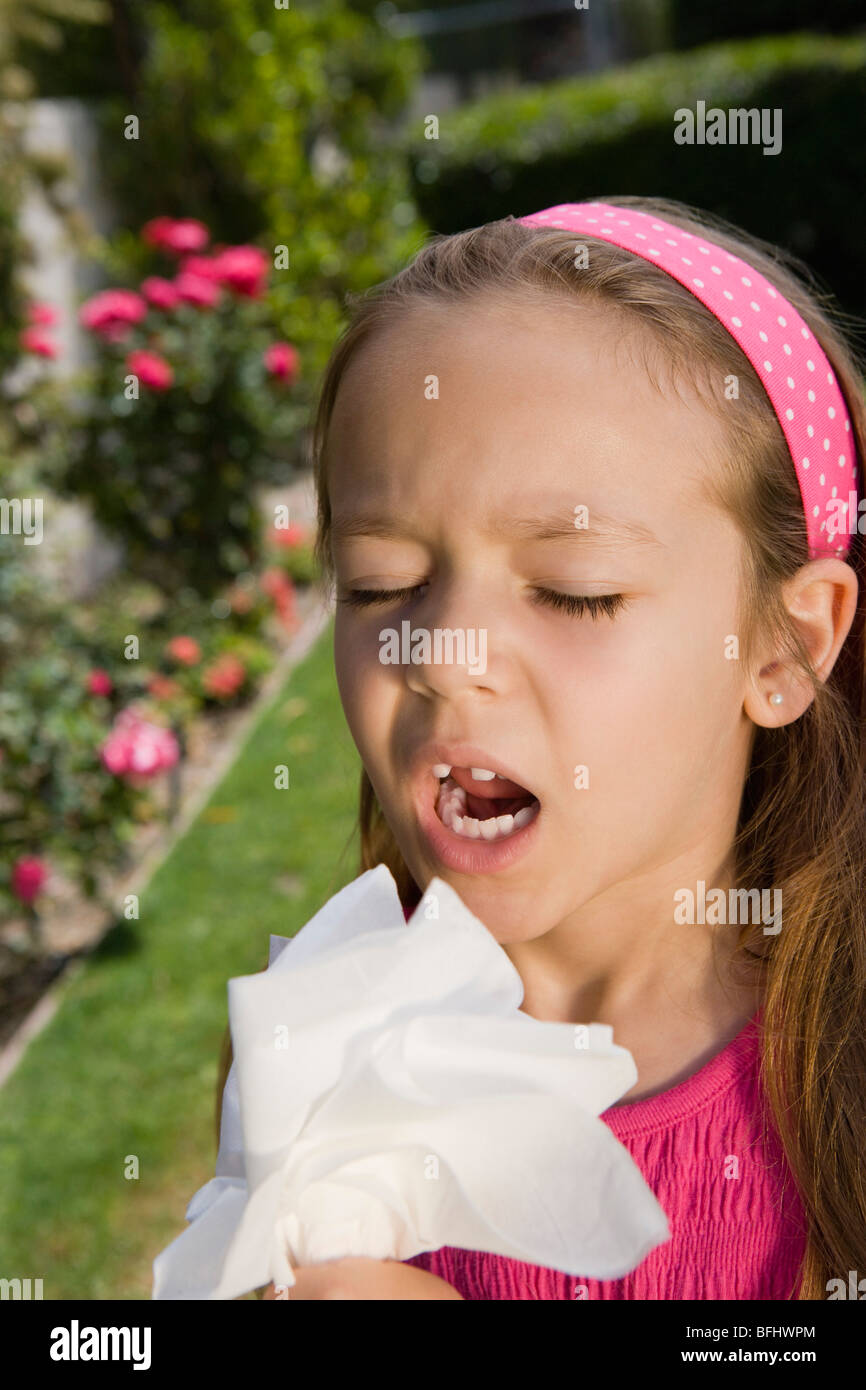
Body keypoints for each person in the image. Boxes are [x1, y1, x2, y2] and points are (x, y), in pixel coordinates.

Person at [229, 194, 866, 1300]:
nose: (441, 651)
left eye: (575, 593)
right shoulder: (330, 1051)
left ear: (780, 647)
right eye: (382, 582)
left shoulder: (837, 1098)